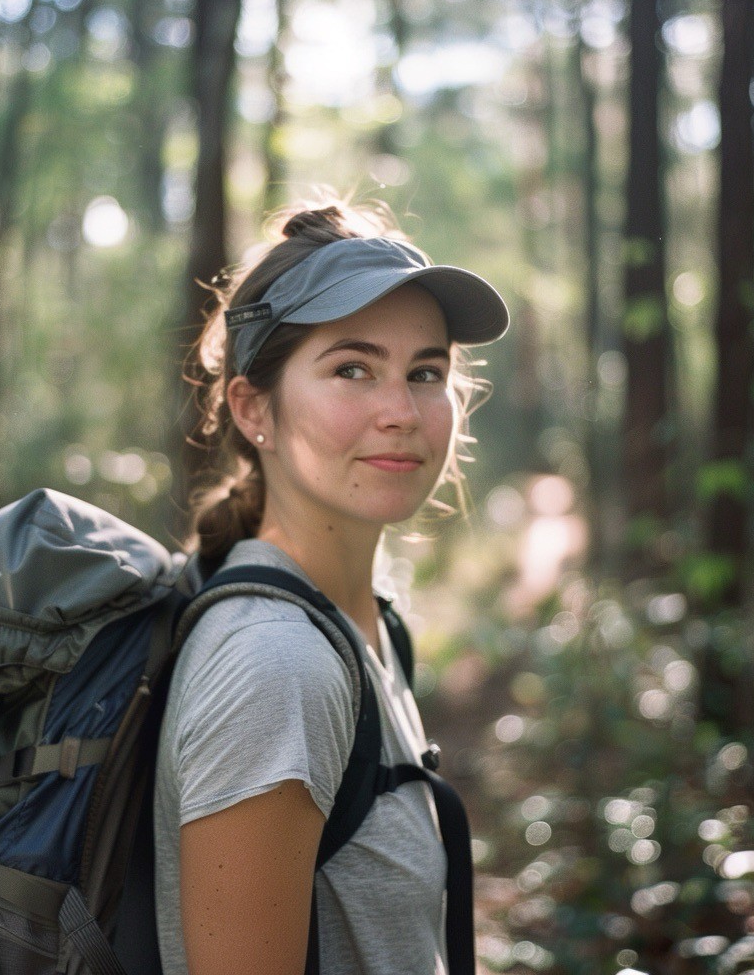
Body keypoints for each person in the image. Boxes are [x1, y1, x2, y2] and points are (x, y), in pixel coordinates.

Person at [154, 201, 509, 975]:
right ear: (255, 410)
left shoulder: (362, 625)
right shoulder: (276, 666)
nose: (402, 412)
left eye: (426, 373)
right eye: (353, 369)